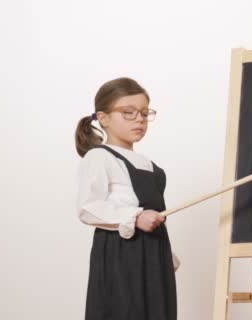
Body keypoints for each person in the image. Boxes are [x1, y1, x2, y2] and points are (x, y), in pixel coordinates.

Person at [75, 77, 179, 320]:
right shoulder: (99, 157)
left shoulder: (149, 165)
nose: (139, 119)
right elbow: (87, 207)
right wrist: (135, 216)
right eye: (128, 112)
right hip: (121, 256)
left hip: (154, 254)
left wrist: (166, 254)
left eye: (144, 113)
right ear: (103, 118)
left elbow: (155, 215)